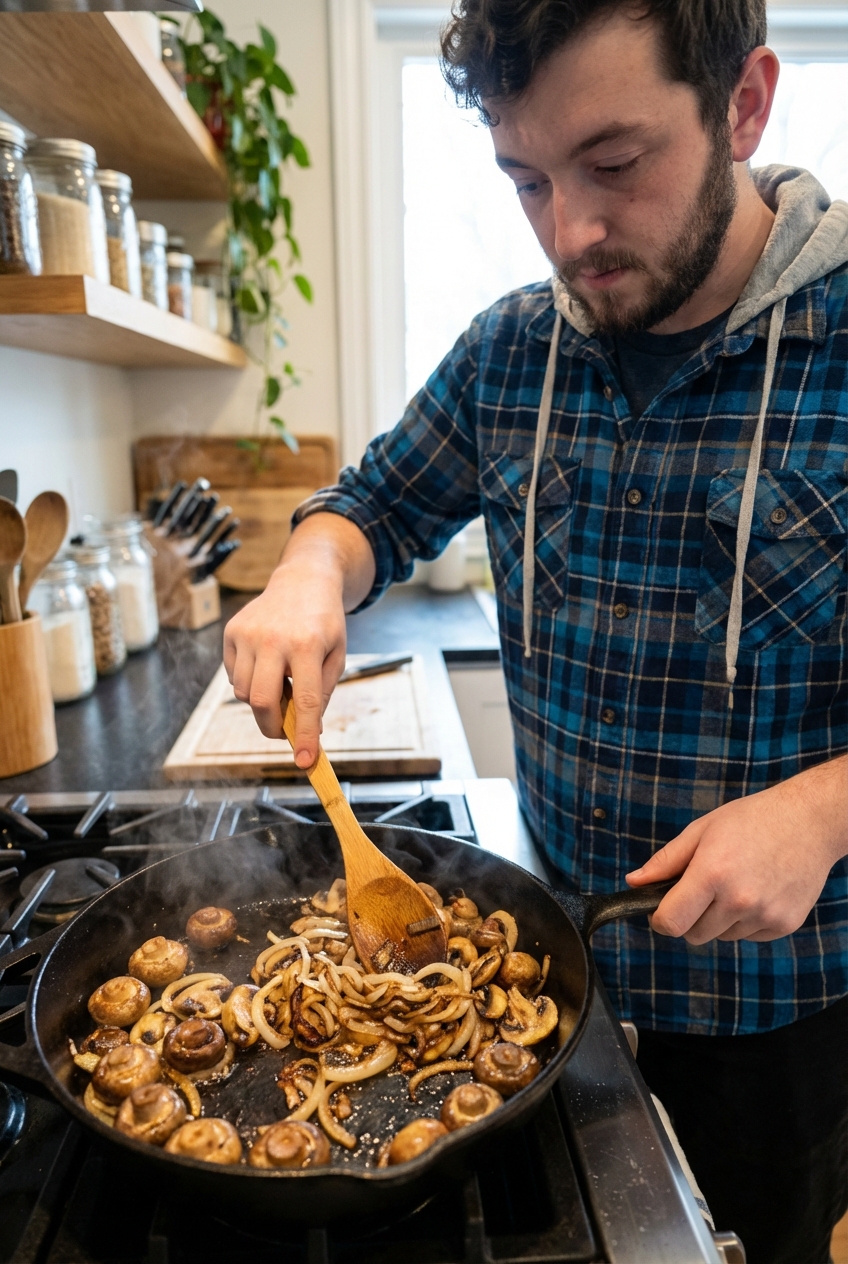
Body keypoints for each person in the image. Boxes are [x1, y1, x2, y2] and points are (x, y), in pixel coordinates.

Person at [224, 2, 847, 1260]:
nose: (569, 231)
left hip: (783, 1020)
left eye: (613, 165)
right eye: (524, 180)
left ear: (741, 103)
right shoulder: (513, 346)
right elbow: (371, 505)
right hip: (540, 990)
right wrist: (306, 569)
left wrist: (823, 810)